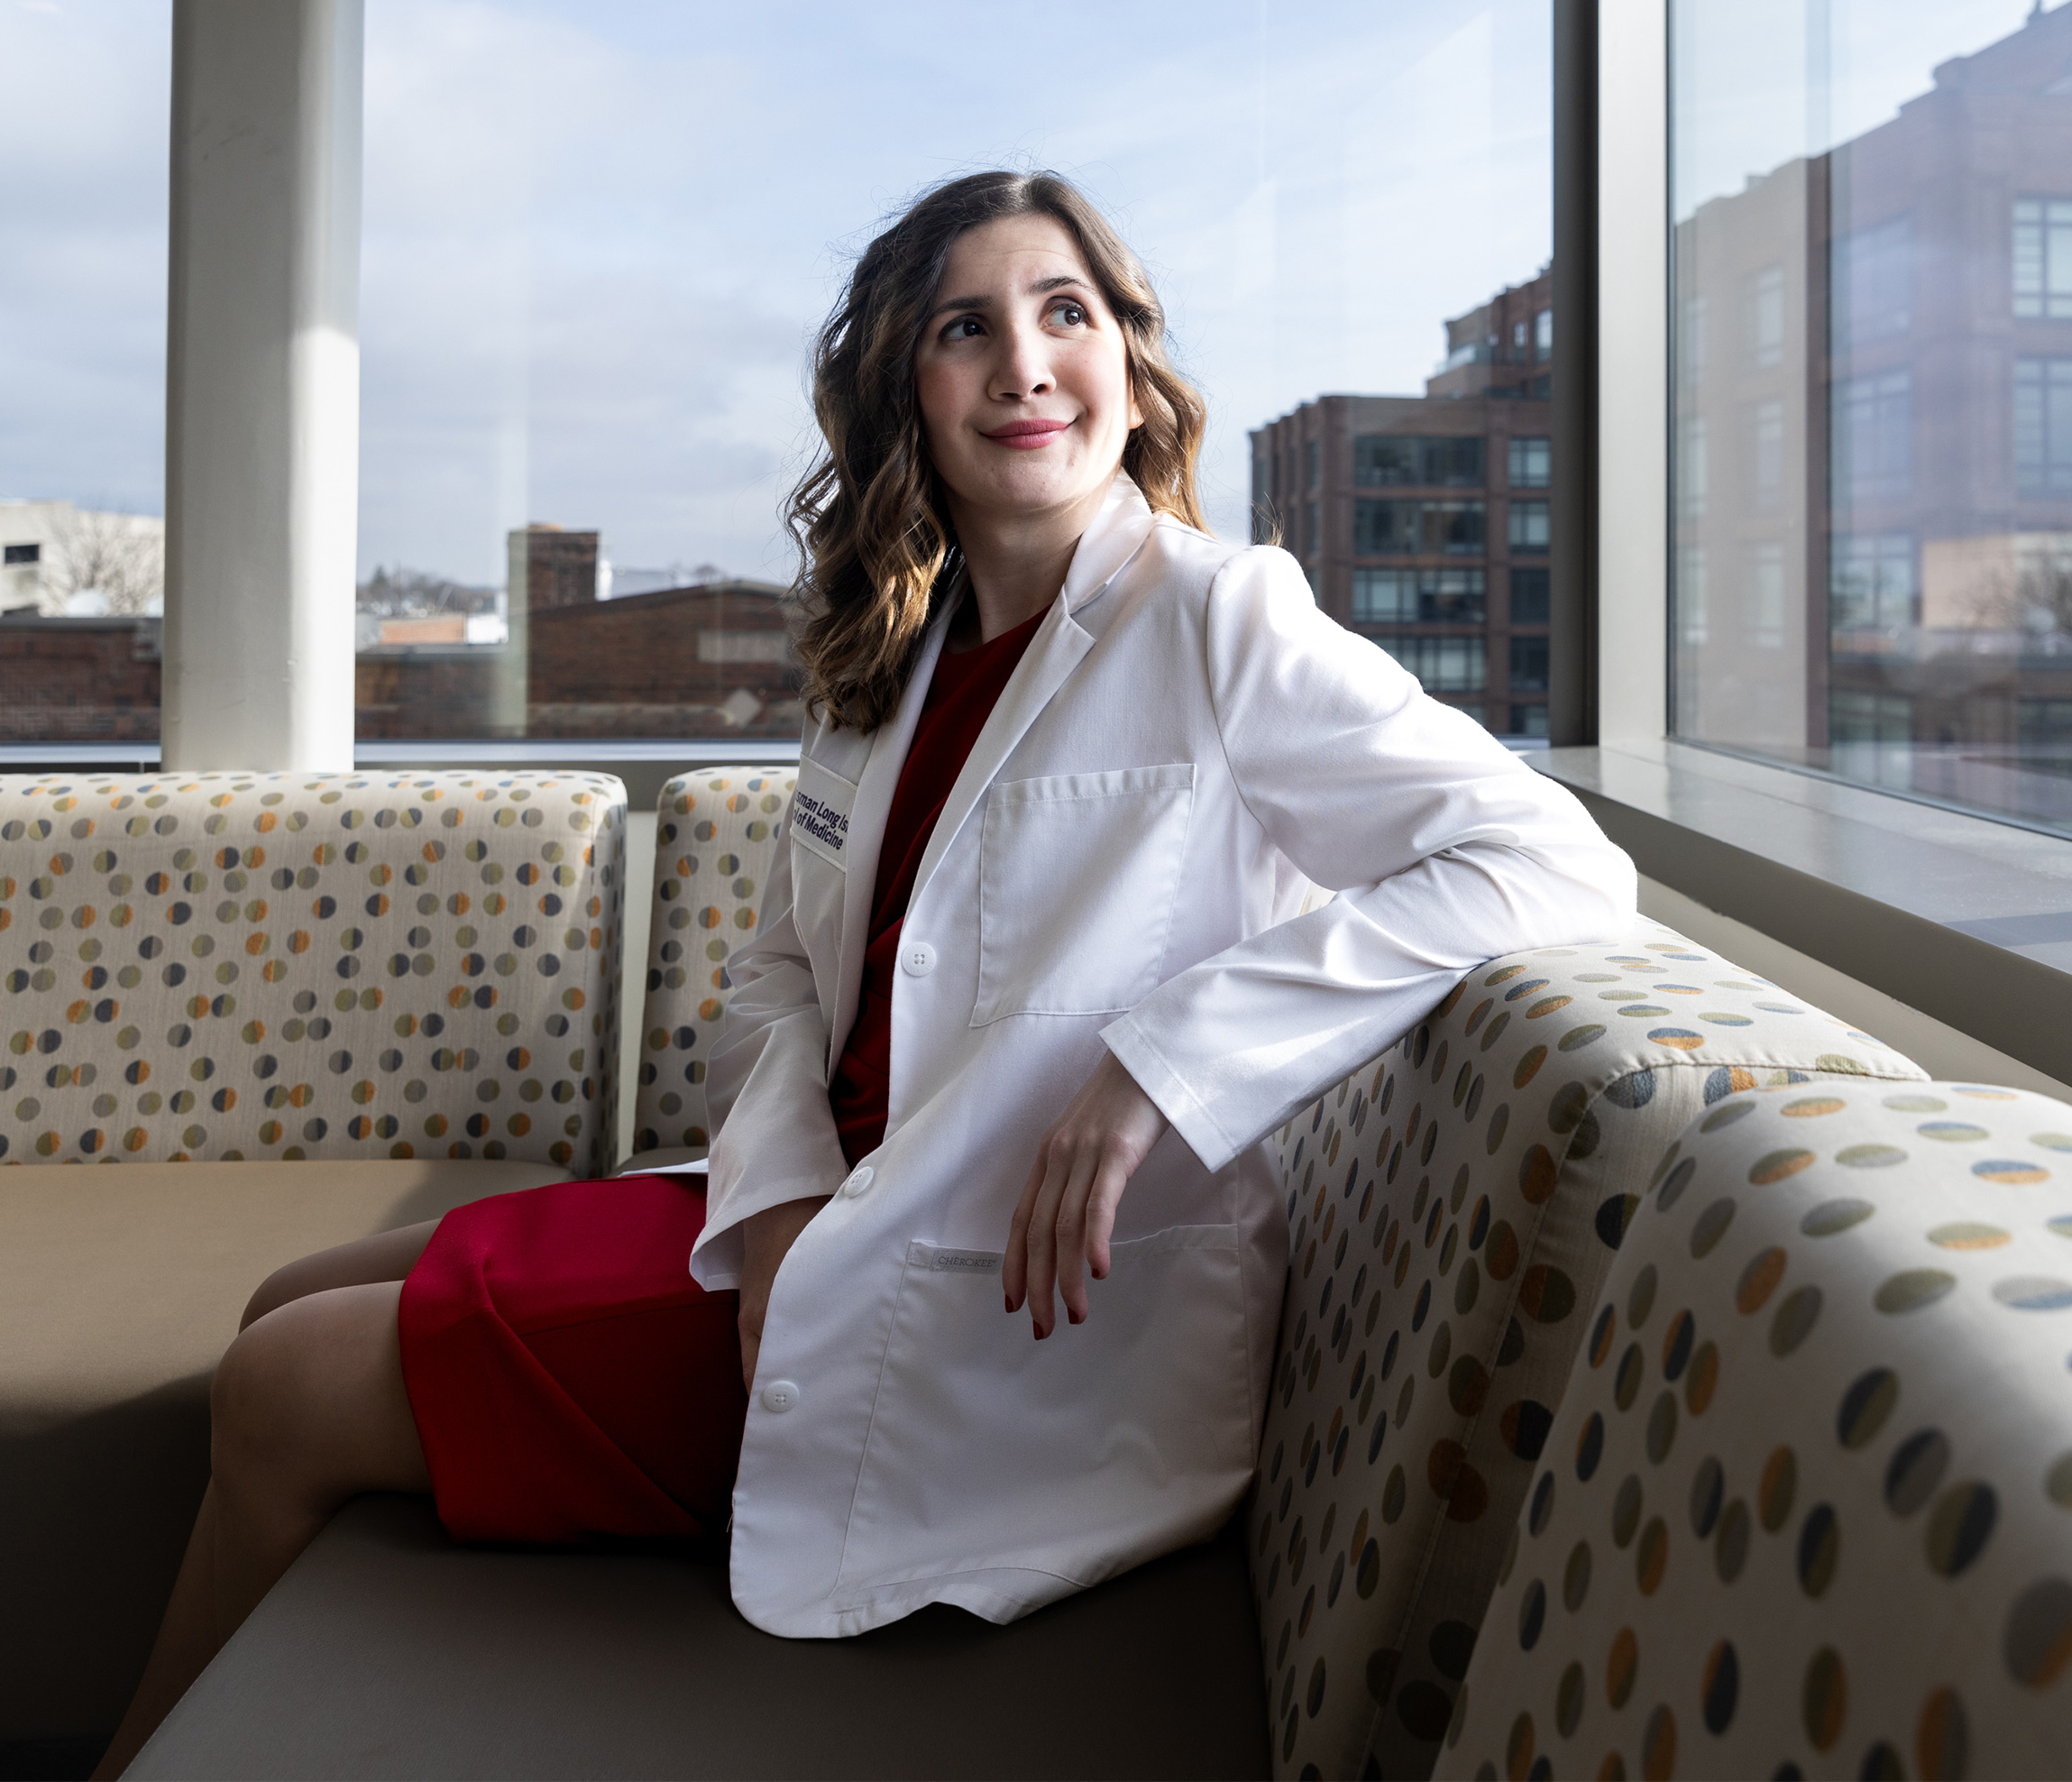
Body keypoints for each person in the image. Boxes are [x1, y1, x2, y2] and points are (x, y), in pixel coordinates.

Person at [96, 169, 1633, 1775]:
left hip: (996, 1315)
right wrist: (766, 1220)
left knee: (281, 1382)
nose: (1027, 365)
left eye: (1067, 314)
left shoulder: (1220, 619)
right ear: (907, 381)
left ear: (1128, 356)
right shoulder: (889, 646)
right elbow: (777, 978)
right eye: (969, 327)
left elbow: (1550, 862)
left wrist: (1160, 1065)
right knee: (284, 1298)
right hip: (808, 1212)